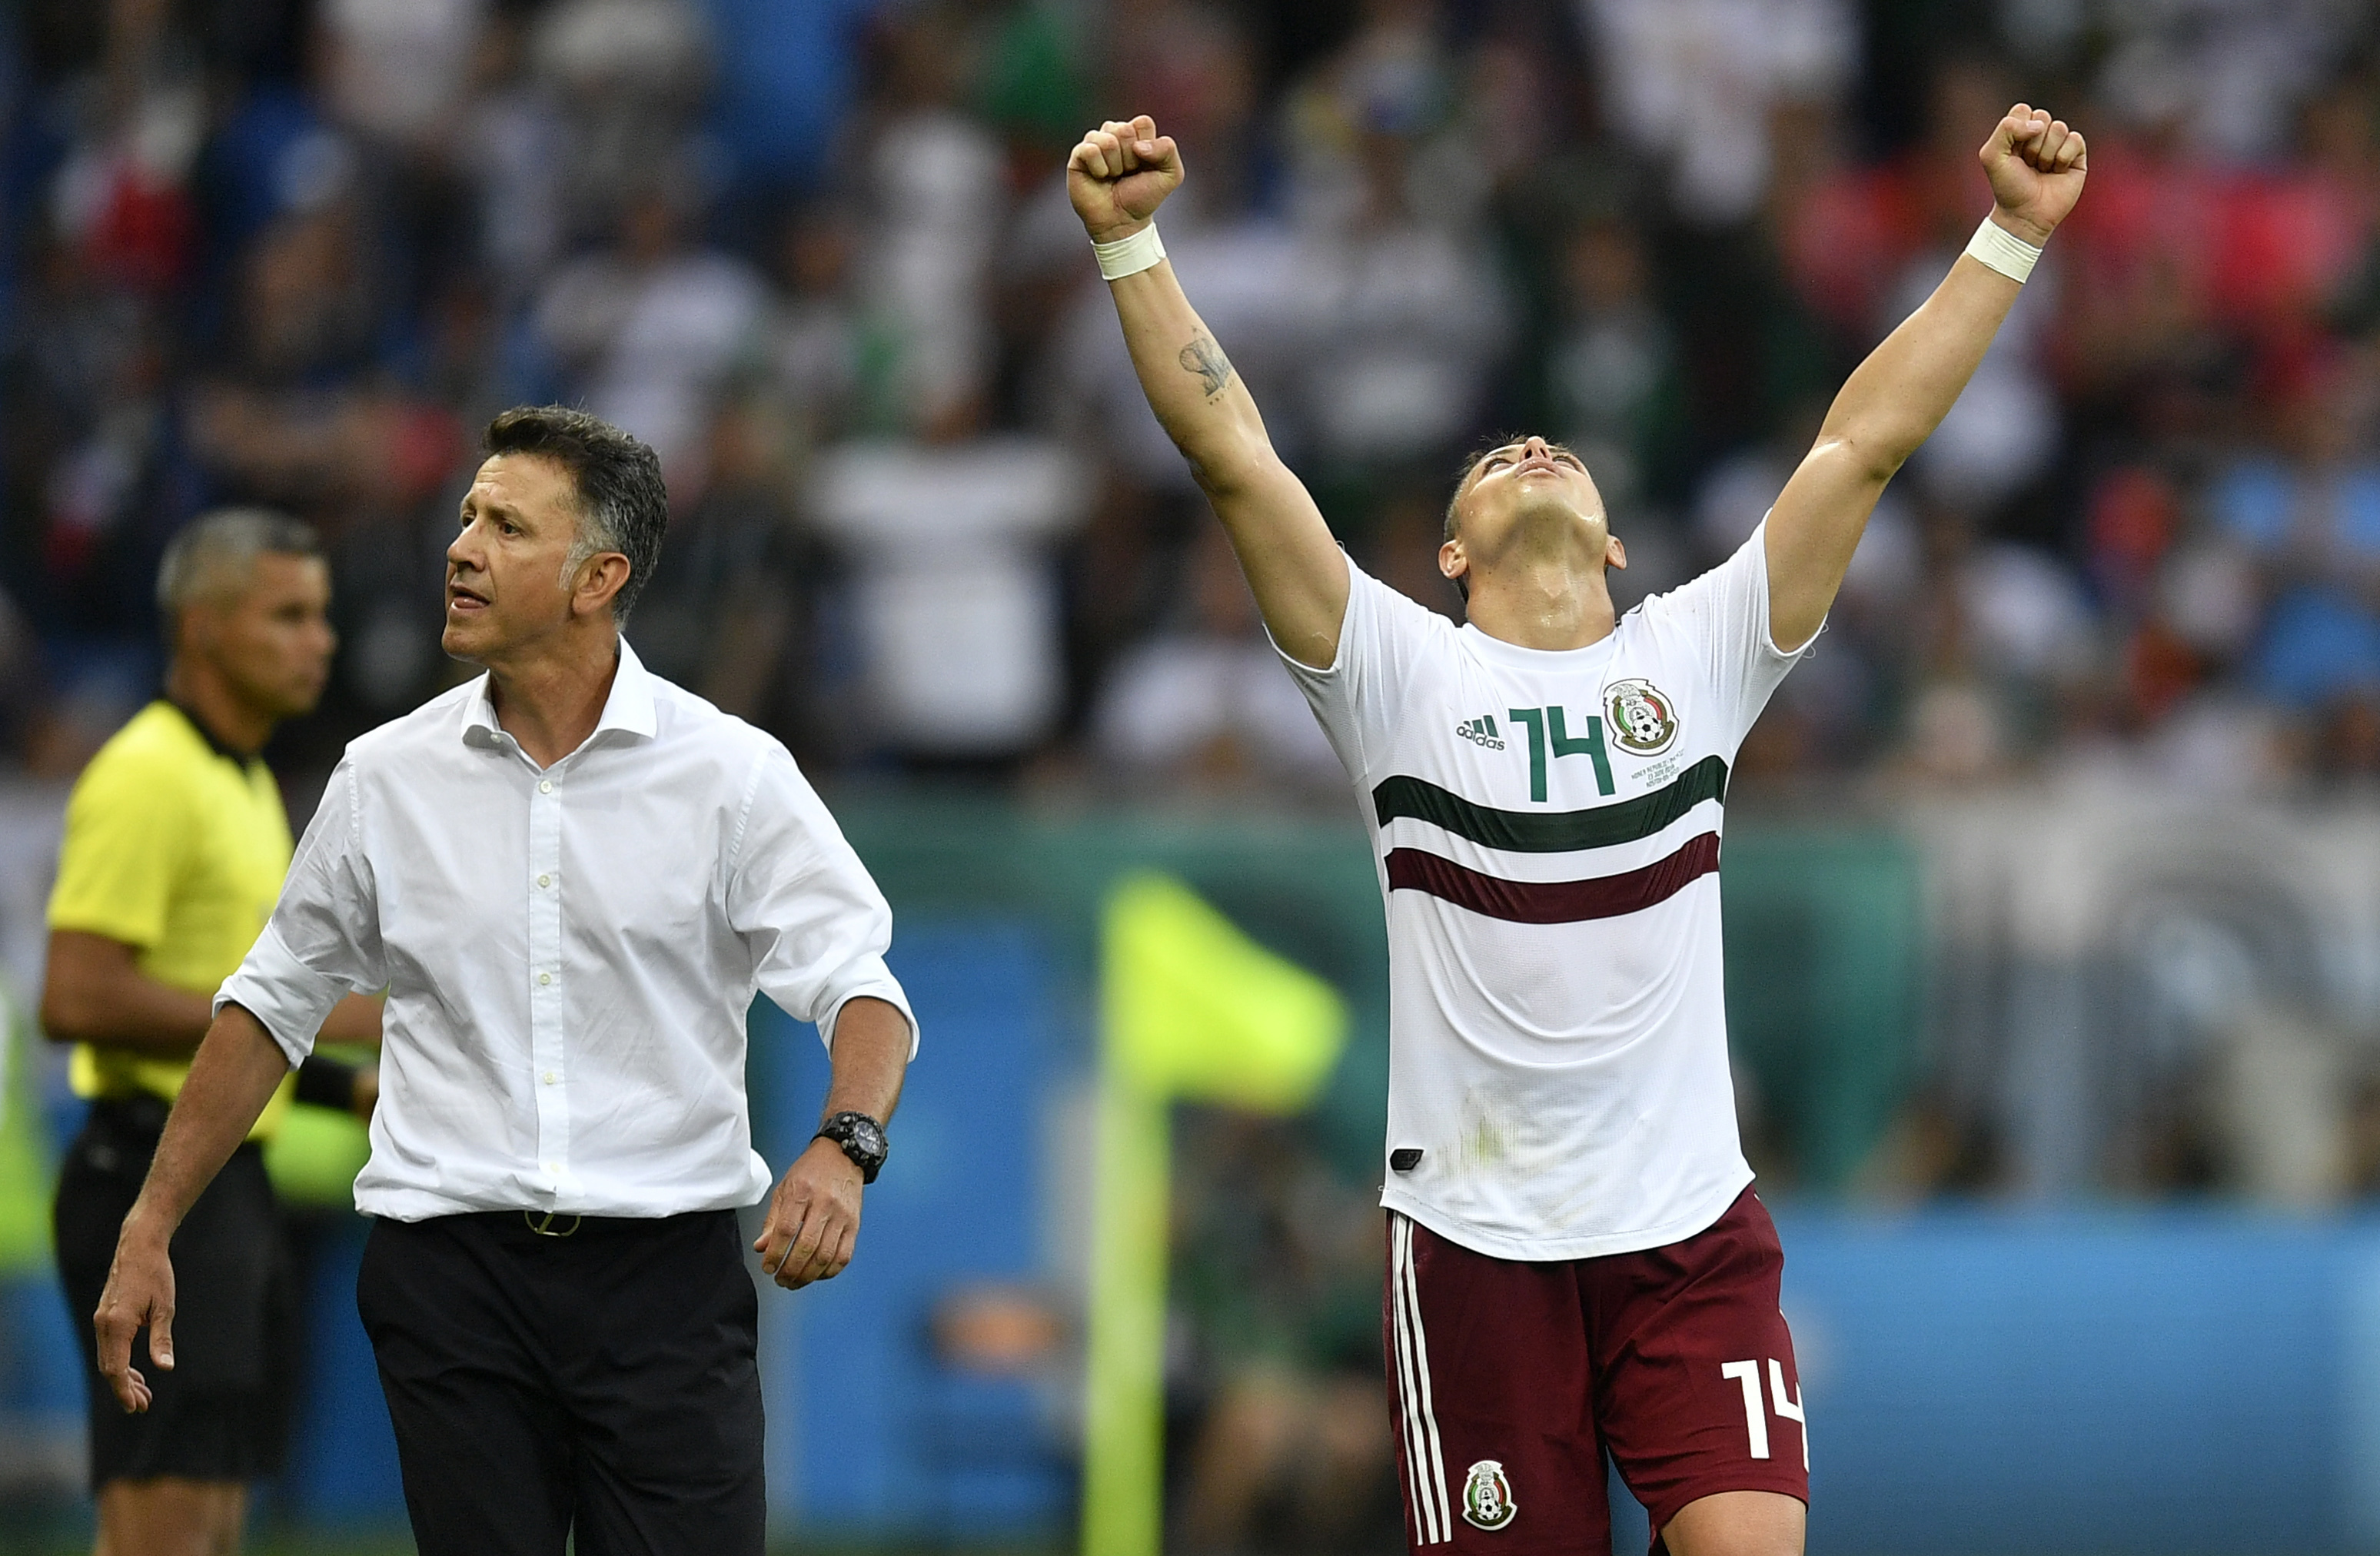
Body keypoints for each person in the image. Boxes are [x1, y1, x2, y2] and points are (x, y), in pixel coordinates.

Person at [1066, 105, 2087, 1555]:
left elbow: (1864, 442)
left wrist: (2010, 236)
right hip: (1480, 1249)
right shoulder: (1396, 674)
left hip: (1688, 1233)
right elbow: (1235, 452)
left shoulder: (1699, 655)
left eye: (1554, 447)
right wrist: (1129, 244)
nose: (1532, 448)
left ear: (1617, 543)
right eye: (1498, 454)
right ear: (1446, 552)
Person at [88, 406, 919, 1554]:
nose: (462, 546)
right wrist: (150, 1222)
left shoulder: (732, 774)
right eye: (469, 515)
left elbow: (861, 990)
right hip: (450, 1281)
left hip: (664, 1283)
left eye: (508, 527)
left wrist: (846, 1145)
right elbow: (269, 1006)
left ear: (599, 579)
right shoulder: (382, 778)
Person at [44, 508, 383, 1556]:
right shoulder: (151, 773)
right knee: (167, 1531)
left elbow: (225, 1020)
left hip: (231, 1185)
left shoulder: (238, 778)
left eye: (321, 617)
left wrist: (336, 1084)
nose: (318, 641)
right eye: (285, 616)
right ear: (199, 629)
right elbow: (77, 995)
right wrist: (290, 1018)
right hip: (155, 1180)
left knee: (209, 1528)